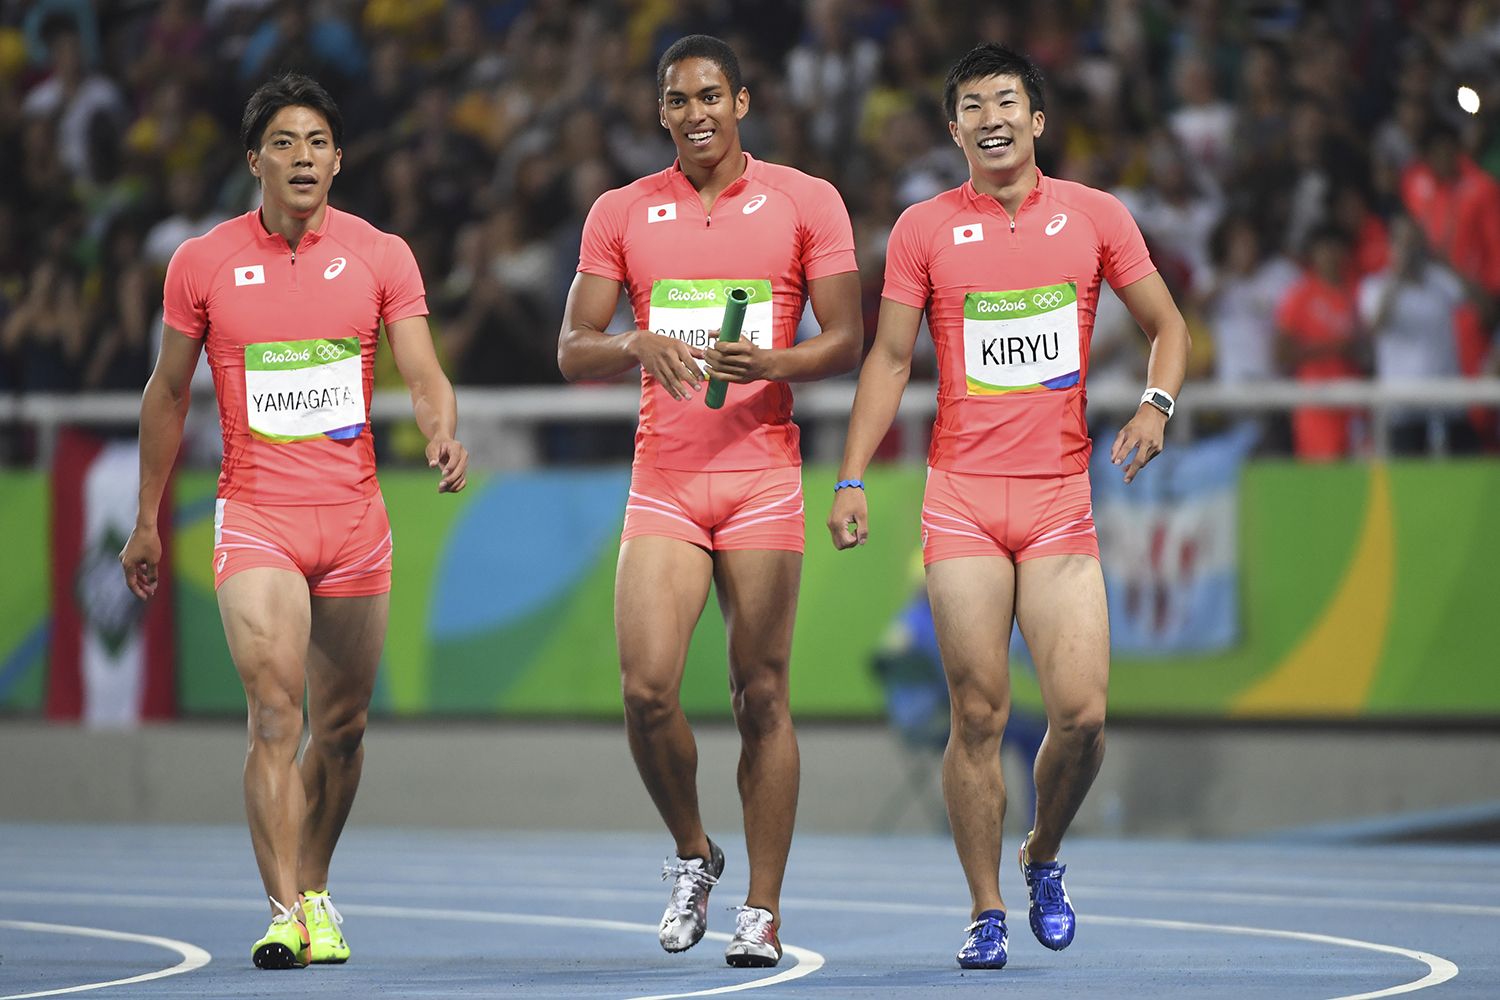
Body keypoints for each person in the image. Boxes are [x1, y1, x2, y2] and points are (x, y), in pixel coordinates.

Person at [826, 42, 1189, 970]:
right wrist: (852, 475)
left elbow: (1168, 325)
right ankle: (985, 907)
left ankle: (1042, 852)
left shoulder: (1097, 216)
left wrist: (1156, 403)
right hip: (962, 502)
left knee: (1084, 716)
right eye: (973, 107)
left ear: (1038, 119)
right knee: (979, 714)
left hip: (1060, 499)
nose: (991, 118)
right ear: (954, 130)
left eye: (1006, 102)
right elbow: (889, 359)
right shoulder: (922, 229)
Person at [119, 73, 468, 970]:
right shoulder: (201, 262)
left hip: (354, 523)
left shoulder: (382, 254)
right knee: (276, 714)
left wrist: (440, 430)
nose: (302, 157)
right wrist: (147, 518)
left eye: (317, 142)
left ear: (339, 159)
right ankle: (282, 912)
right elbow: (167, 392)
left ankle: (314, 888)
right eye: (284, 142)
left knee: (341, 730)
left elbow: (423, 370)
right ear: (255, 160)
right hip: (257, 518)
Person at [556, 34, 862, 969]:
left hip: (761, 473)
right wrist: (633, 344)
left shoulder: (806, 200)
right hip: (667, 480)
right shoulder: (621, 210)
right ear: (661, 112)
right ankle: (694, 853)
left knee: (760, 692)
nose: (696, 114)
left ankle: (761, 910)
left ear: (742, 101)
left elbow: (847, 339)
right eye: (678, 100)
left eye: (710, 96)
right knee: (647, 690)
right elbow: (572, 347)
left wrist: (774, 361)